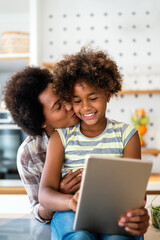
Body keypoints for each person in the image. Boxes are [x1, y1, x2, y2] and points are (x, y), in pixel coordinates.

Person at [39, 47, 149, 239]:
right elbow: (45, 194)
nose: (86, 107)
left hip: (115, 213)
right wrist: (69, 202)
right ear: (69, 102)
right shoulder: (61, 137)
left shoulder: (127, 135)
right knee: (79, 237)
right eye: (77, 101)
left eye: (93, 98)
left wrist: (137, 208)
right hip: (69, 212)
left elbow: (136, 192)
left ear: (107, 94)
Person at [4, 66, 81, 223]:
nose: (69, 106)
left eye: (65, 97)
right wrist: (56, 195)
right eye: (58, 106)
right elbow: (38, 213)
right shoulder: (29, 154)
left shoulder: (89, 123)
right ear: (41, 122)